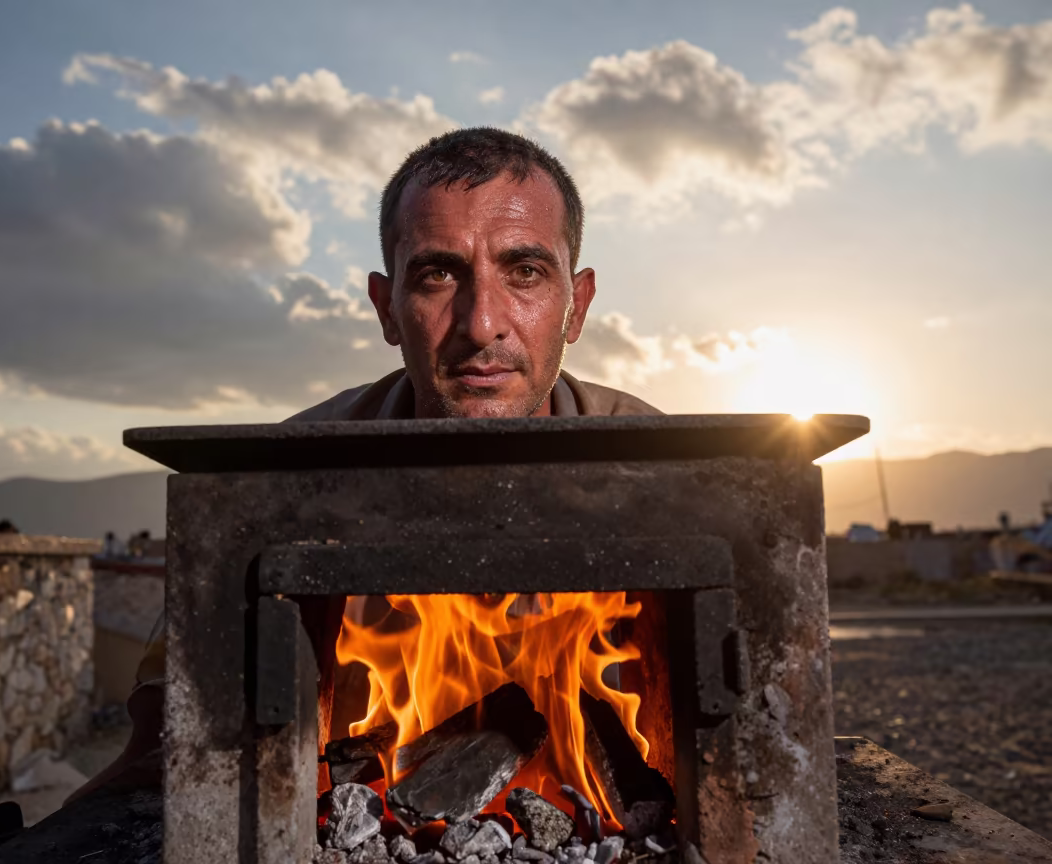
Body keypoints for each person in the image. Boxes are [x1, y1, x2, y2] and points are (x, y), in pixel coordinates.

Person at [66, 127, 661, 803]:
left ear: (575, 306)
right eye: (439, 275)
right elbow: (176, 702)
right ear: (387, 308)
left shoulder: (666, 473)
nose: (481, 322)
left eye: (525, 271)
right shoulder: (290, 476)